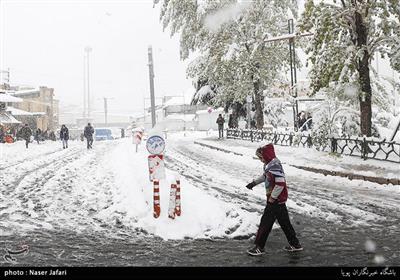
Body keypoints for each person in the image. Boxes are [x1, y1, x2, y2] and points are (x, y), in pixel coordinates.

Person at [245, 143, 302, 256]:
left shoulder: (274, 166)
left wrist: (272, 198)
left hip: (275, 200)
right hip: (279, 200)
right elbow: (266, 176)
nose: (261, 160)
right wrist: (253, 183)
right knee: (285, 223)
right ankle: (295, 244)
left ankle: (259, 247)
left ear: (266, 155)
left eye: (261, 157)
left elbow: (280, 184)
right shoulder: (270, 164)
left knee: (265, 223)